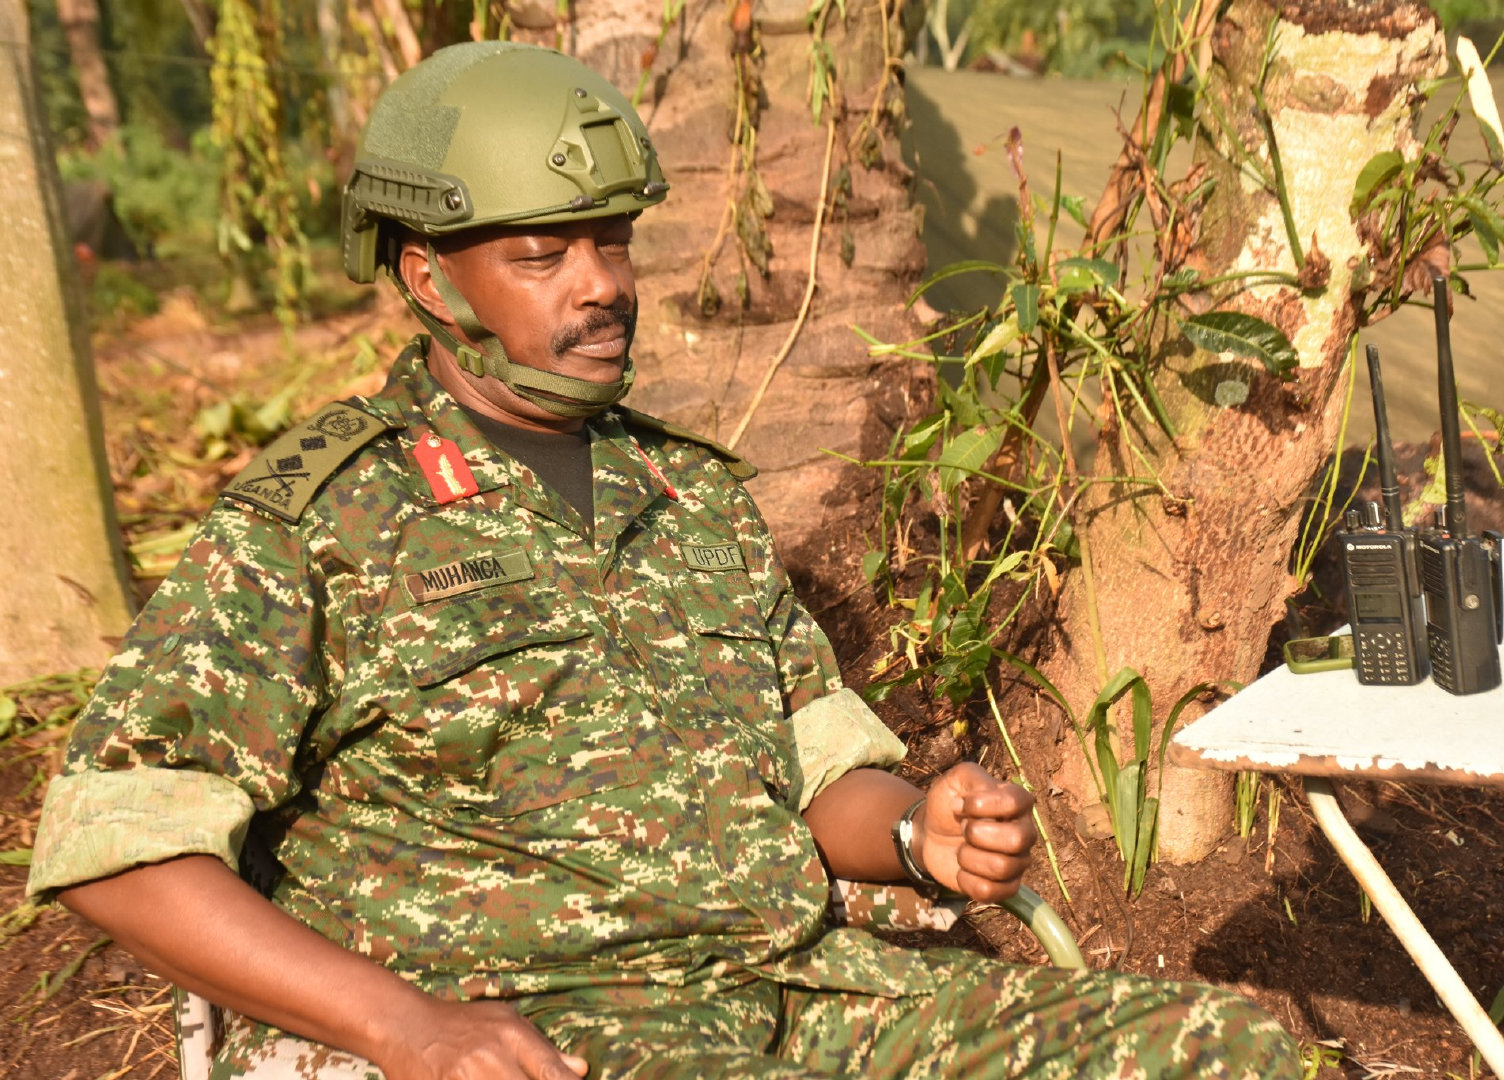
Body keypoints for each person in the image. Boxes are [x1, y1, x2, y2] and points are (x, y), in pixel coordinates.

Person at [27, 42, 1299, 1080]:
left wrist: (918, 833)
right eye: (541, 255)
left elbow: (814, 771)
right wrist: (403, 1027)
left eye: (613, 241)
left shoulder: (689, 494)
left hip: (810, 996)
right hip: (550, 1034)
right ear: (429, 276)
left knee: (1228, 1050)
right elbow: (121, 842)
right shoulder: (317, 522)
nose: (601, 287)